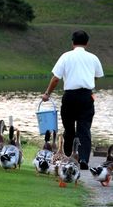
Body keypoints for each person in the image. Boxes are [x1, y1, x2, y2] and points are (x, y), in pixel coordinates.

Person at [42, 30, 104, 170]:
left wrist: (47, 94)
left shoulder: (66, 56)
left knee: (69, 129)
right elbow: (97, 76)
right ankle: (83, 159)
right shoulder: (93, 58)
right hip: (86, 96)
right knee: (84, 129)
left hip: (69, 96)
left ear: (72, 42)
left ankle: (69, 158)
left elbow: (56, 78)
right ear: (87, 43)